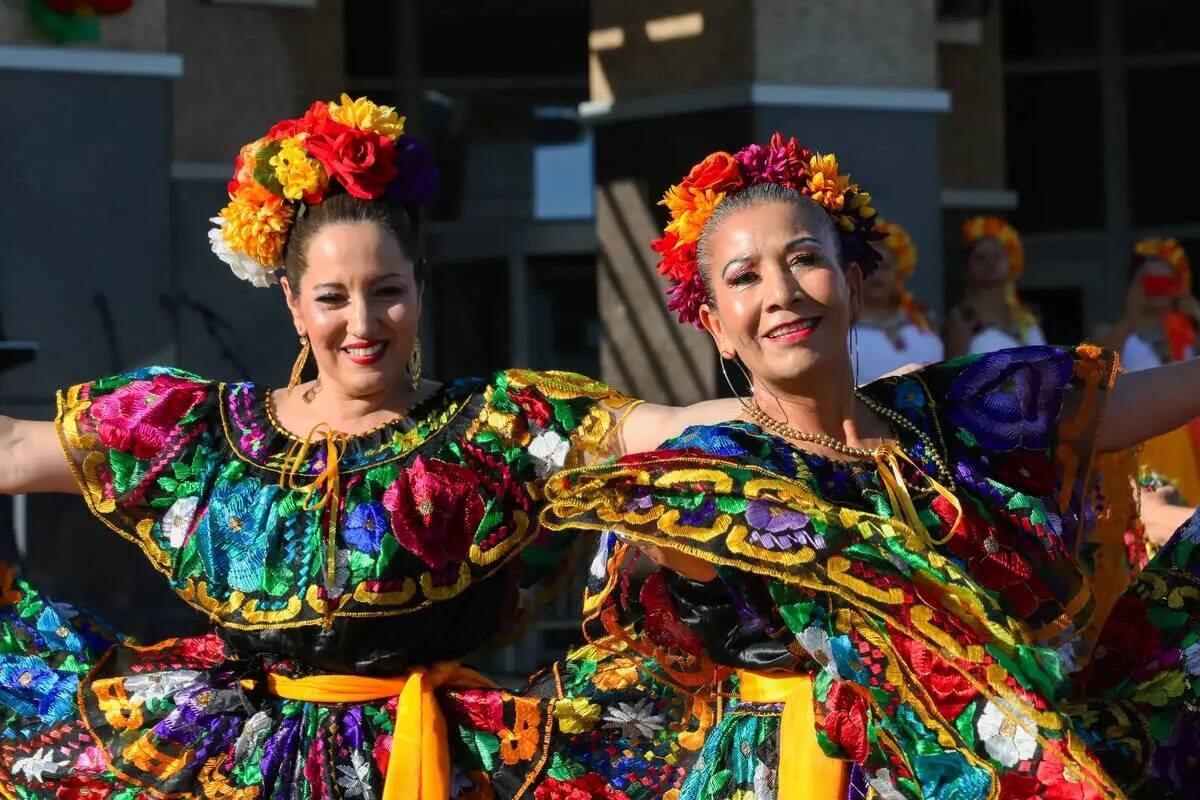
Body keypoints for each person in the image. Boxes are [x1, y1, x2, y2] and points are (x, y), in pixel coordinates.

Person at [0, 95, 744, 800]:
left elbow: (668, 428)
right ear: (294, 305)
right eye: (332, 297)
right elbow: (11, 449)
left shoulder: (493, 425)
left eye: (386, 289)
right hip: (246, 764)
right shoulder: (201, 434)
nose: (363, 321)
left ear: (419, 290)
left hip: (431, 761)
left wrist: (822, 413)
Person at [541, 134, 1200, 799]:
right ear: (715, 326)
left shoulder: (942, 412)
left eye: (803, 259)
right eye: (745, 276)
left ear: (854, 288)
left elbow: (1124, 404)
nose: (782, 292)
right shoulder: (724, 466)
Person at [1100, 237, 1200, 506]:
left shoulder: (1188, 332)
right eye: (1148, 282)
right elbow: (1099, 376)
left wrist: (1195, 314)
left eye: (1165, 283)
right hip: (1140, 442)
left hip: (1189, 445)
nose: (1157, 290)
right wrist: (1131, 314)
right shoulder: (1118, 332)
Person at [853, 218, 942, 383]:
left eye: (886, 267)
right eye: (871, 266)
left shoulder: (922, 318)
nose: (877, 274)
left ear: (900, 272)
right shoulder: (843, 319)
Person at [945, 216, 1045, 357]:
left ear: (1010, 263)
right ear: (966, 267)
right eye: (980, 257)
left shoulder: (1025, 320)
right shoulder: (960, 320)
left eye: (997, 255)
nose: (989, 262)